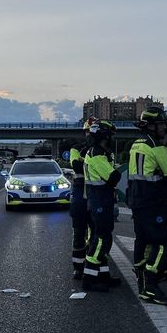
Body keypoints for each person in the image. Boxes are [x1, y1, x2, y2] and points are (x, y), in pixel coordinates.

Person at [127, 107, 167, 305]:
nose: (165, 128)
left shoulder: (135, 144)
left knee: (142, 240)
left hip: (136, 200)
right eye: (162, 124)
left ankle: (141, 280)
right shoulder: (156, 146)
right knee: (163, 242)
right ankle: (151, 285)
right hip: (153, 201)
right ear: (151, 125)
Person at [81, 120, 122, 292]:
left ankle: (103, 275)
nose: (112, 138)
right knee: (100, 238)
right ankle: (89, 278)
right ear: (104, 136)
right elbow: (112, 177)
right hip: (99, 200)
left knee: (104, 237)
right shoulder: (97, 154)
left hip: (100, 199)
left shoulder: (100, 152)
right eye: (110, 135)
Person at [69, 118, 97, 280]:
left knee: (97, 233)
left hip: (95, 196)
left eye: (92, 131)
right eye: (87, 131)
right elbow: (76, 166)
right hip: (80, 197)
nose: (90, 134)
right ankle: (78, 267)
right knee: (79, 233)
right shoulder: (76, 149)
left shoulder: (105, 151)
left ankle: (94, 265)